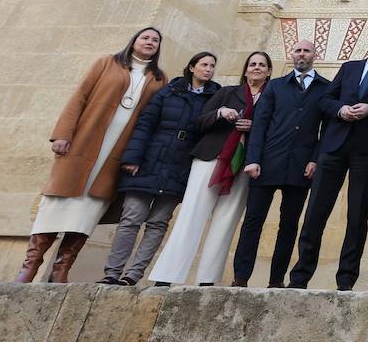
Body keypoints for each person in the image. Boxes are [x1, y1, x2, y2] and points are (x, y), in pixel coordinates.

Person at [17, 27, 167, 283]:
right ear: (134, 41)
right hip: (84, 142)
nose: (150, 42)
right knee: (58, 200)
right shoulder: (107, 63)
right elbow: (80, 96)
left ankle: (62, 268)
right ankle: (30, 265)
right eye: (145, 37)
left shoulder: (158, 79)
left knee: (89, 208)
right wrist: (63, 134)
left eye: (155, 40)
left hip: (117, 152)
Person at [289, 23, 368, 291]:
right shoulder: (349, 67)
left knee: (357, 214)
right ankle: (299, 277)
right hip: (333, 146)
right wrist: (341, 110)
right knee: (316, 211)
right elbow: (326, 99)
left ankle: (345, 281)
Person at [149, 51, 270, 286]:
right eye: (252, 64)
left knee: (226, 221)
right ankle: (166, 276)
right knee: (191, 214)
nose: (256, 67)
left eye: (262, 65)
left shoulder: (271, 98)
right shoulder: (226, 93)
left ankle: (207, 280)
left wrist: (254, 127)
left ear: (268, 71)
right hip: (211, 158)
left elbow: (275, 130)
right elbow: (199, 122)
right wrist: (220, 113)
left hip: (244, 164)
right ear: (245, 70)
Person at [102, 51, 219, 285]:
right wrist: (133, 158)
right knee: (131, 217)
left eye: (212, 66)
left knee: (158, 222)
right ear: (192, 66)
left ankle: (133, 275)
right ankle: (111, 273)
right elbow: (145, 124)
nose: (208, 69)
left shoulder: (215, 96)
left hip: (181, 165)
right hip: (151, 160)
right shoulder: (169, 91)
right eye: (204, 64)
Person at [233, 39, 330, 288]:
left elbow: (326, 130)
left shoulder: (325, 89)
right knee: (253, 221)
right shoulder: (275, 87)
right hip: (268, 163)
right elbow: (260, 125)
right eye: (297, 50)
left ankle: (276, 281)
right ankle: (241, 278)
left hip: (301, 167)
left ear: (314, 54)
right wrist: (253, 160)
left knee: (288, 226)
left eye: (306, 50)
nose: (302, 54)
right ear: (292, 54)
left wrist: (315, 159)